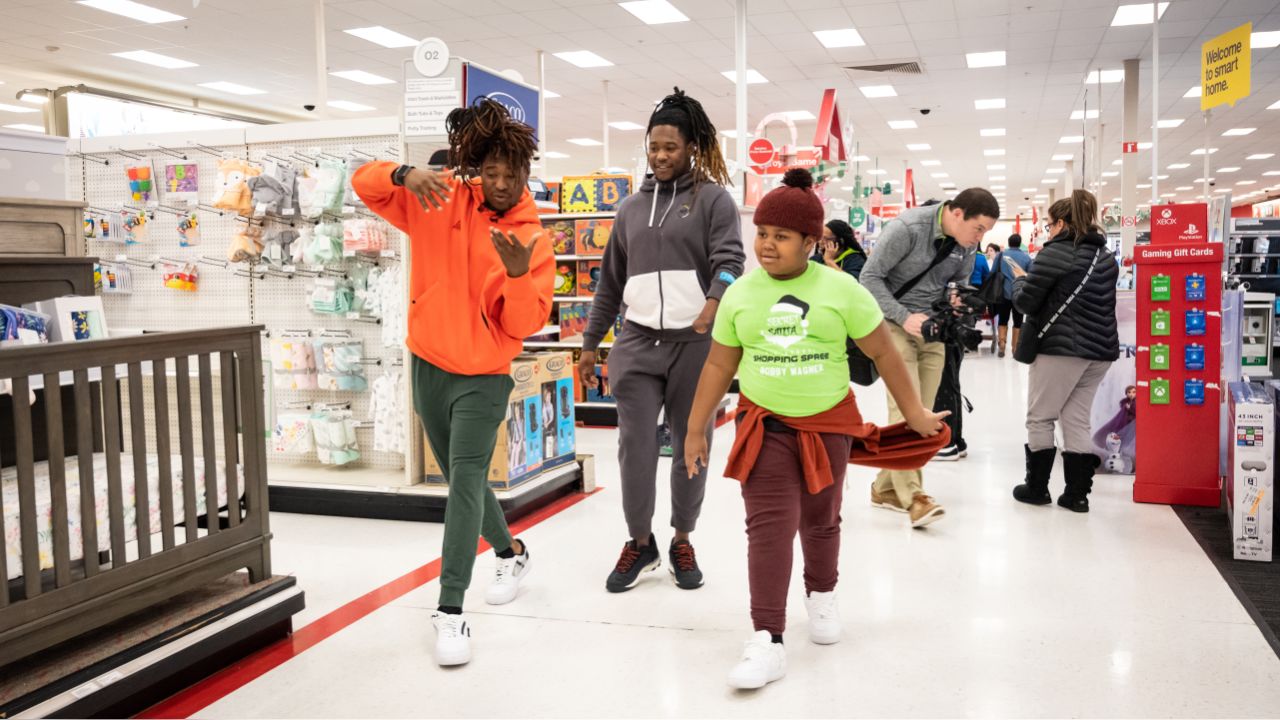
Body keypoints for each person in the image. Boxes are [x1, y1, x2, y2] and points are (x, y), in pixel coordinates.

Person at [682, 169, 950, 690]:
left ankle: (822, 595)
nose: (766, 245)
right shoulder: (740, 294)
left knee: (822, 519)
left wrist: (915, 413)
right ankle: (767, 637)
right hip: (765, 426)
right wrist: (696, 429)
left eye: (781, 236)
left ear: (812, 242)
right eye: (761, 233)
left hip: (828, 423)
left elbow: (884, 351)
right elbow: (717, 366)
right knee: (768, 528)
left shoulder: (841, 288)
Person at [352, 98, 552, 666]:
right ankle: (511, 552)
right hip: (428, 365)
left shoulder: (531, 237)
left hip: (483, 378)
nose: (503, 184)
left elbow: (526, 322)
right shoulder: (440, 198)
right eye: (492, 172)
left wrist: (516, 277)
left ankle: (451, 610)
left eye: (513, 175)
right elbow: (363, 185)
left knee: (465, 480)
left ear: (525, 175)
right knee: (463, 484)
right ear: (477, 171)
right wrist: (404, 173)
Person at [577, 88, 745, 593]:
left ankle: (681, 538)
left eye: (671, 146)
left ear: (692, 147)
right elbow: (609, 282)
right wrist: (590, 344)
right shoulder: (629, 209)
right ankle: (639, 541)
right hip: (637, 341)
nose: (661, 155)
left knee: (693, 443)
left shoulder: (714, 200)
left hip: (696, 346)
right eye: (654, 146)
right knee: (635, 445)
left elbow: (732, 263)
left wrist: (714, 302)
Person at [859, 188, 999, 527]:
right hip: (893, 326)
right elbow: (868, 278)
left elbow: (959, 279)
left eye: (985, 232)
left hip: (934, 331)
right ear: (956, 213)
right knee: (909, 410)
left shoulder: (966, 245)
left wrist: (955, 298)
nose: (980, 238)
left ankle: (883, 488)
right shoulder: (907, 229)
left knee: (925, 410)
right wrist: (903, 315)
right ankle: (915, 498)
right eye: (978, 228)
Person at [1008, 189, 1118, 513]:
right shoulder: (1105, 257)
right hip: (1100, 352)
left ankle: (1037, 487)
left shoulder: (1054, 253)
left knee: (1040, 416)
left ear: (1061, 223)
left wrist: (1019, 281)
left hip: (1061, 350)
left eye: (1049, 224)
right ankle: (1077, 495)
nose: (1047, 230)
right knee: (1076, 418)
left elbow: (1026, 301)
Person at [993, 233, 1034, 357]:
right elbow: (1031, 276)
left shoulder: (1001, 255)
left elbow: (993, 272)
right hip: (1019, 294)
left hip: (1003, 293)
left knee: (1003, 319)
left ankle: (1002, 344)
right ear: (1020, 243)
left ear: (1009, 242)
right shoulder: (1026, 258)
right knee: (1018, 321)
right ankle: (1015, 348)